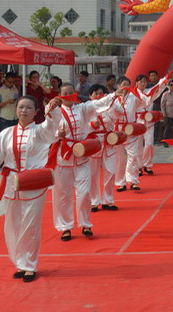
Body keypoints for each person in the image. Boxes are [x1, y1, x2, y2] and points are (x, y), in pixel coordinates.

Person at [0, 95, 65, 282]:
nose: (24, 111)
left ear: (36, 112)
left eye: (28, 108)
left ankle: (29, 265)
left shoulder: (40, 131)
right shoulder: (6, 133)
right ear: (16, 110)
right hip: (12, 183)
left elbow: (54, 125)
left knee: (31, 224)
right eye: (21, 107)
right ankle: (19, 262)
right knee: (12, 225)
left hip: (34, 182)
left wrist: (52, 109)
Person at [50, 83, 116, 241]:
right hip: (63, 156)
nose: (68, 95)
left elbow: (98, 103)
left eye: (71, 92)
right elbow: (47, 131)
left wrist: (114, 95)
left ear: (75, 93)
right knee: (63, 193)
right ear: (60, 96)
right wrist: (58, 134)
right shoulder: (55, 112)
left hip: (82, 154)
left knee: (84, 191)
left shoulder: (82, 109)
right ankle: (65, 227)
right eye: (65, 93)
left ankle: (85, 223)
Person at [110, 74, 168, 191]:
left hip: (131, 130)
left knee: (133, 155)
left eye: (128, 85)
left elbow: (148, 99)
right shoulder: (112, 99)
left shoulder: (134, 97)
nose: (126, 87)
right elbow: (108, 113)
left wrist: (161, 85)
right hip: (118, 131)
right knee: (119, 159)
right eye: (124, 85)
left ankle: (133, 181)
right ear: (118, 86)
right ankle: (121, 182)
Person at [86, 85, 119, 212]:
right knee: (93, 174)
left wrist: (112, 102)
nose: (99, 96)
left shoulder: (109, 106)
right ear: (90, 96)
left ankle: (108, 200)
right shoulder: (86, 108)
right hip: (93, 143)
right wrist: (92, 125)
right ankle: (94, 202)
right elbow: (81, 125)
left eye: (101, 93)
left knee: (110, 171)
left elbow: (119, 114)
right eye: (96, 93)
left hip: (108, 141)